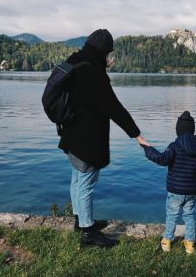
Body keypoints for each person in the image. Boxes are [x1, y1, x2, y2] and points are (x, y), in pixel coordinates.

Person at [58, 29, 148, 248]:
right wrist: (136, 134)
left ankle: (81, 220)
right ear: (102, 52)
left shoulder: (76, 62)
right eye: (107, 53)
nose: (108, 57)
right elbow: (113, 107)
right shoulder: (93, 75)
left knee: (77, 178)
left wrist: (102, 67)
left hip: (70, 134)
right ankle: (89, 234)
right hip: (86, 139)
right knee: (86, 182)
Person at [141, 111, 196, 254]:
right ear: (192, 130)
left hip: (175, 191)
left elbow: (161, 159)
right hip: (191, 192)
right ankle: (189, 243)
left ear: (178, 130)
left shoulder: (174, 146)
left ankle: (167, 241)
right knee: (189, 216)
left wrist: (147, 148)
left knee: (171, 216)